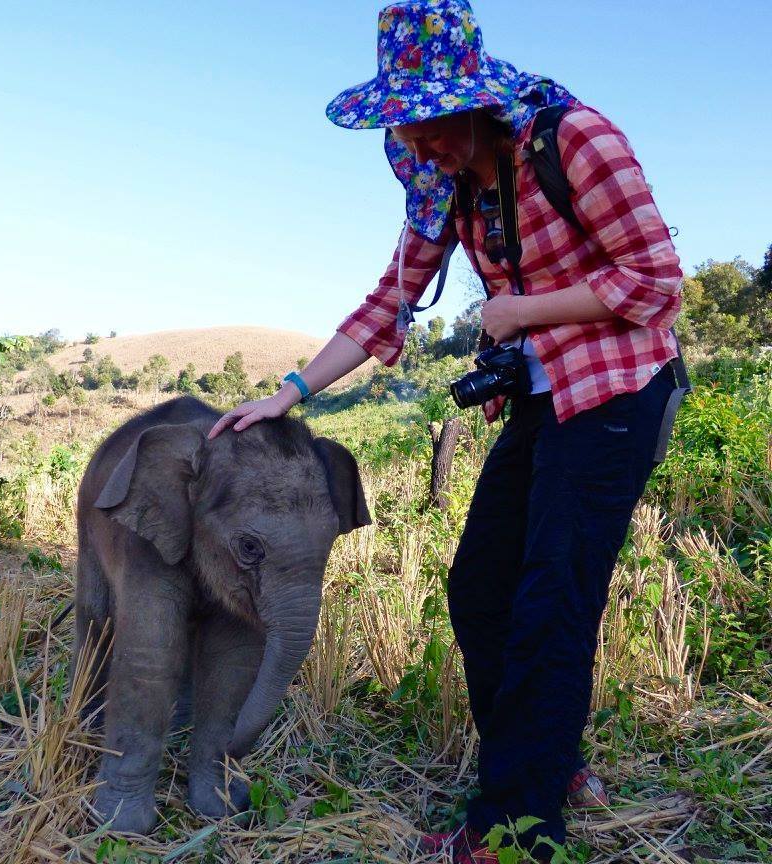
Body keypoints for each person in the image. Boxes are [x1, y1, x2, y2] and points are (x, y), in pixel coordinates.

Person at [209, 1, 683, 860]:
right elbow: (389, 301)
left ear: (472, 96)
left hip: (618, 389)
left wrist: (522, 310)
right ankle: (549, 758)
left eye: (427, 119)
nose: (415, 143)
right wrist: (291, 391)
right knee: (479, 588)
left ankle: (514, 827)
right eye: (403, 123)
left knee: (553, 599)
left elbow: (655, 280)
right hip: (545, 394)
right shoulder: (437, 171)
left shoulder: (577, 141)